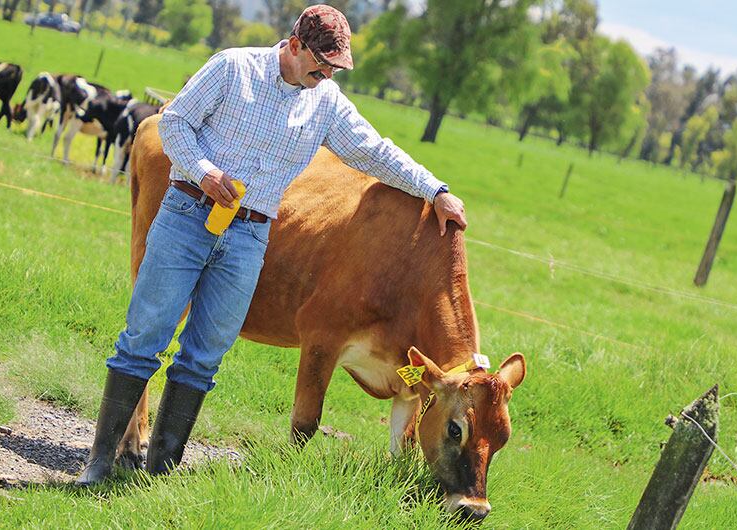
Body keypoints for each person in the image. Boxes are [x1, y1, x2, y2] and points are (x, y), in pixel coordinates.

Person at [76, 4, 468, 486]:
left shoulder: (325, 101)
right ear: (295, 45)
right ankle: (99, 463)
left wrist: (436, 190)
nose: (327, 76)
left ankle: (158, 472)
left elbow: (374, 151)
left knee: (203, 356)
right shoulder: (232, 67)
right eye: (321, 64)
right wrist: (204, 172)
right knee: (144, 337)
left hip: (249, 235)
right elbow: (174, 122)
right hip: (189, 213)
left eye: (336, 69)